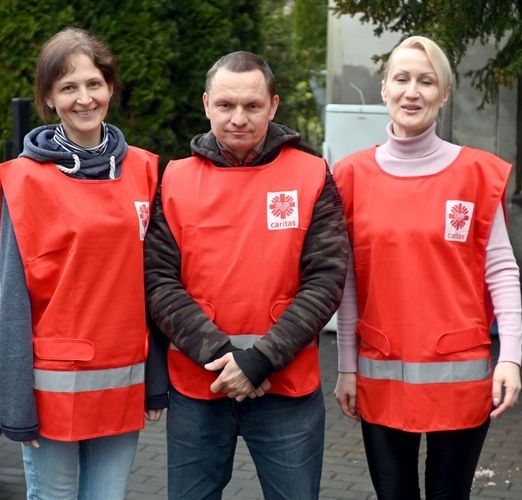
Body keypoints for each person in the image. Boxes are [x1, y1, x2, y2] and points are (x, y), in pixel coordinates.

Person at [144, 50, 349, 500]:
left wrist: (258, 361)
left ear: (273, 106)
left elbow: (326, 279)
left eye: (252, 106)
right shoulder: (174, 179)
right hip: (201, 384)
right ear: (206, 105)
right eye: (225, 105)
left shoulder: (312, 174)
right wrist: (224, 358)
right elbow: (159, 281)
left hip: (285, 387)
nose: (238, 118)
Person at [332, 35, 522, 500]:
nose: (411, 91)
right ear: (384, 89)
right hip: (380, 375)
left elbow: (501, 269)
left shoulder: (477, 174)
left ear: (443, 94)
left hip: (460, 377)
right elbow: (348, 284)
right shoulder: (351, 176)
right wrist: (345, 367)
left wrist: (511, 357)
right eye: (401, 78)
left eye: (426, 80)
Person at [0, 27, 167, 500]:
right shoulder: (22, 181)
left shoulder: (145, 170)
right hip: (52, 389)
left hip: (122, 379)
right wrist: (15, 401)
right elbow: (13, 298)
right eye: (68, 87)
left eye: (94, 83)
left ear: (110, 87)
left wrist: (155, 379)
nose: (84, 98)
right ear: (48, 98)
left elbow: (150, 284)